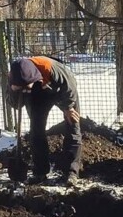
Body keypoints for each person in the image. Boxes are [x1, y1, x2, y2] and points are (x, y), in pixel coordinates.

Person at [10, 55, 82, 184]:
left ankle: (71, 172)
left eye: (27, 87)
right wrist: (15, 92)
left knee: (72, 124)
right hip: (37, 94)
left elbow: (69, 86)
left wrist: (69, 107)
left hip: (60, 88)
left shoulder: (52, 69)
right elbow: (14, 104)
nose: (25, 90)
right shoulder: (14, 76)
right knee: (36, 129)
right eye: (23, 88)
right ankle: (40, 172)